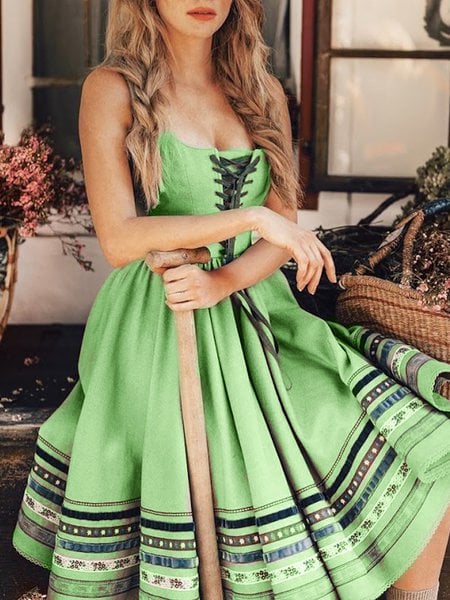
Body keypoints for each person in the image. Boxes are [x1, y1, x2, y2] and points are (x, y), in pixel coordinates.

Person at [12, 1, 450, 599]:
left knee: (428, 440)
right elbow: (119, 239)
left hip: (258, 306)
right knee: (213, 462)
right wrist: (246, 218)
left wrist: (225, 280)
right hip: (161, 313)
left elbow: (282, 223)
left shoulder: (262, 91)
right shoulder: (112, 88)